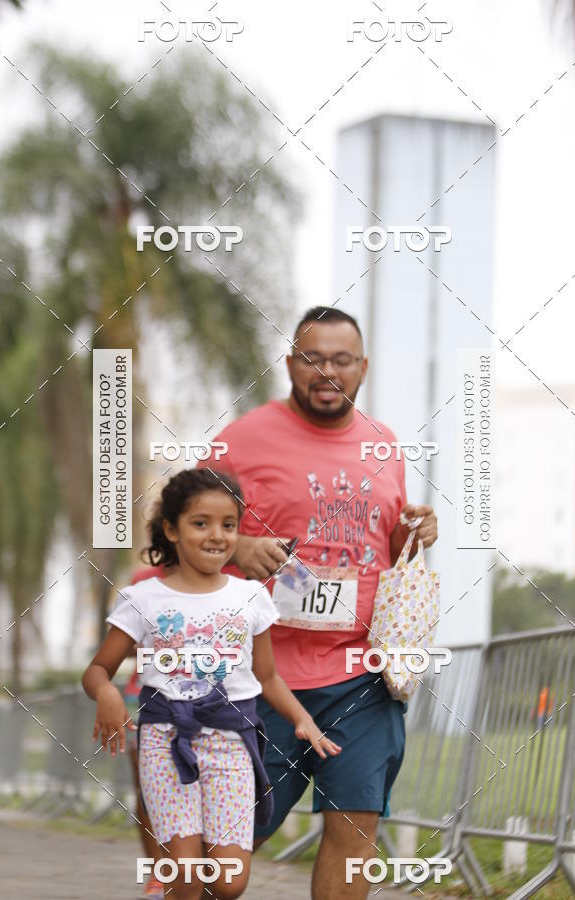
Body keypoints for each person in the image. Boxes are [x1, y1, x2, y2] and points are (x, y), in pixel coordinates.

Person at [208, 306, 439, 900]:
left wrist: (413, 532)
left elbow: (385, 546)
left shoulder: (385, 445)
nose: (327, 371)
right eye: (313, 359)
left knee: (355, 829)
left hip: (361, 674)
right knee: (230, 846)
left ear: (362, 368)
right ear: (290, 365)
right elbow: (176, 527)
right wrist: (240, 547)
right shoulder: (241, 439)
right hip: (261, 676)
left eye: (341, 360)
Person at [82, 467, 340, 900]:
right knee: (184, 877)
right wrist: (106, 693)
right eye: (200, 523)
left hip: (231, 744)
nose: (216, 535)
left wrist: (302, 719)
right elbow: (97, 669)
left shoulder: (251, 596)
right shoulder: (142, 600)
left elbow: (268, 676)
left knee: (229, 882)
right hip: (165, 743)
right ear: (172, 529)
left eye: (229, 525)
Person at [122, 564, 167, 900]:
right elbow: (124, 643)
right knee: (148, 786)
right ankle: (158, 871)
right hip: (144, 695)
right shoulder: (143, 580)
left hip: (205, 703)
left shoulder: (230, 577)